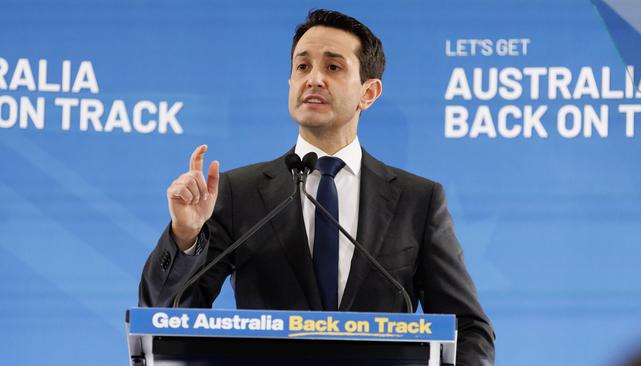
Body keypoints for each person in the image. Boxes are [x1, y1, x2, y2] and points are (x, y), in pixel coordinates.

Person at [139, 9, 495, 365]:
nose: (314, 79)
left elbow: (468, 328)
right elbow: (168, 320)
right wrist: (185, 237)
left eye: (333, 67)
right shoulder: (238, 193)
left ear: (368, 93)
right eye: (302, 67)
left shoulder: (417, 201)